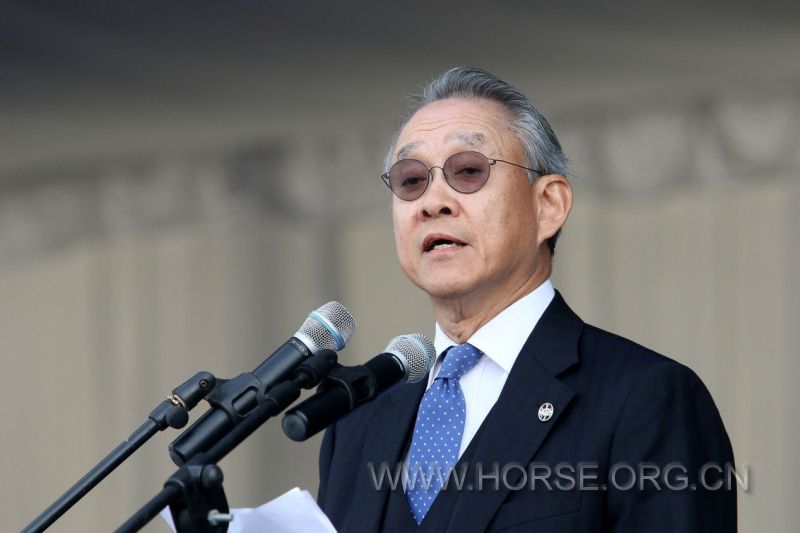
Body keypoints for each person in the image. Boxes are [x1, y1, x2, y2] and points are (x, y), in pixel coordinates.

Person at [317, 67, 737, 532]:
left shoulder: (644, 396)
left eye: (469, 171)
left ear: (548, 205)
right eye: (412, 180)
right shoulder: (358, 420)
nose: (433, 202)